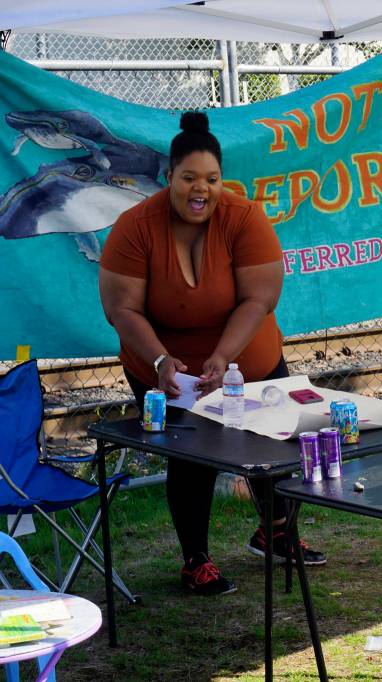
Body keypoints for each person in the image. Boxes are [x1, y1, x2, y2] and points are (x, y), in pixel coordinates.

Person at [99, 111, 325, 596]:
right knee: (191, 456)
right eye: (189, 179)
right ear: (169, 177)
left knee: (276, 442)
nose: (200, 189)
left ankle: (278, 533)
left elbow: (259, 299)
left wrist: (224, 358)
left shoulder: (245, 217)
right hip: (164, 370)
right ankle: (195, 560)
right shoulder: (134, 226)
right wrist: (161, 361)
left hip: (247, 358)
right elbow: (122, 309)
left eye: (212, 179)